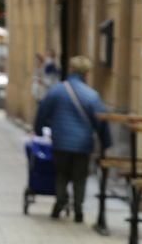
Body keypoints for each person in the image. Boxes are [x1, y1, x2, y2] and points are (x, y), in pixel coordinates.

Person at [33, 54, 110, 223]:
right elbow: (101, 121)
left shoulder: (57, 91)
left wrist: (38, 130)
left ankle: (60, 202)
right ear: (86, 73)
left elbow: (42, 111)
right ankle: (78, 210)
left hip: (60, 142)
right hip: (83, 145)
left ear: (71, 69)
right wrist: (106, 143)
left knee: (61, 174)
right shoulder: (91, 95)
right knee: (80, 177)